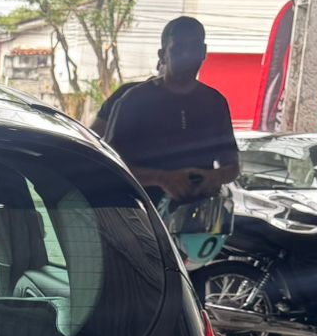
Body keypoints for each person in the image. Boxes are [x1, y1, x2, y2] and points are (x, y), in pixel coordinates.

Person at [92, 16, 239, 202]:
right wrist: (161, 179)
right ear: (162, 55)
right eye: (178, 48)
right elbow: (110, 165)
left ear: (204, 52)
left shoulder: (215, 103)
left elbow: (232, 166)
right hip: (139, 211)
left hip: (193, 215)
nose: (187, 55)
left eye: (194, 47)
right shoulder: (134, 100)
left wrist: (214, 177)